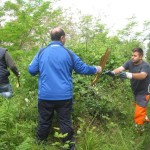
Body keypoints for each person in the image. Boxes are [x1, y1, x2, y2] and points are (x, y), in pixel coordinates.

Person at [28, 27, 102, 149]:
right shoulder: (69, 53)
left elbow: (31, 70)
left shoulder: (41, 52)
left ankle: (39, 145)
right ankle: (69, 147)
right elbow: (82, 68)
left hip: (45, 96)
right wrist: (96, 69)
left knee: (44, 122)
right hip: (64, 97)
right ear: (62, 38)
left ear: (51, 38)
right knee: (65, 123)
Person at [105, 47, 150, 130]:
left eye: (135, 56)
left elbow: (143, 75)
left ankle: (139, 129)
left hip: (144, 92)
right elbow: (120, 68)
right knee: (139, 108)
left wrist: (128, 75)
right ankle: (145, 120)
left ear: (140, 57)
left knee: (139, 110)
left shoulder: (145, 65)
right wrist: (113, 72)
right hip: (135, 90)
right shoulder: (130, 62)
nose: (133, 57)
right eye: (132, 55)